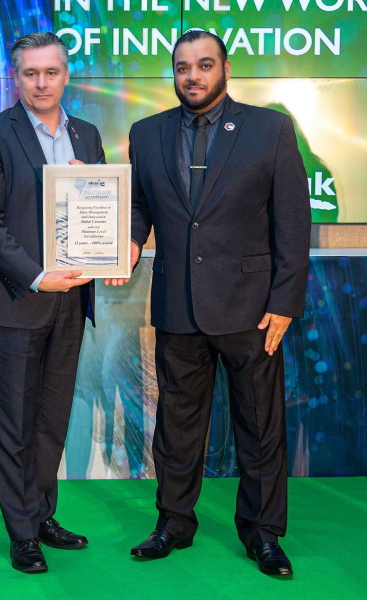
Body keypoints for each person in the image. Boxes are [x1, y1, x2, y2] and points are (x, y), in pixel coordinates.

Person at [112, 29, 311, 576]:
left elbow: (293, 221)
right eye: (183, 67)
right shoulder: (146, 133)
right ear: (173, 74)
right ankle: (173, 522)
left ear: (225, 69)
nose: (193, 76)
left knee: (259, 426)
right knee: (176, 426)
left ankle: (263, 534)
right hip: (178, 305)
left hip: (253, 309)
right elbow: (139, 205)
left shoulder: (270, 128)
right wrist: (130, 240)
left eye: (204, 65)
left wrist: (285, 301)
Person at [0, 32, 105, 573]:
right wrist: (38, 275)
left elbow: (100, 211)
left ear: (66, 75)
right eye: (30, 73)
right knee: (16, 423)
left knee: (51, 418)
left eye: (51, 72)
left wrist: (111, 253)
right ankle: (21, 532)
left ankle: (43, 514)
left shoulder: (87, 135)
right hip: (17, 299)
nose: (41, 83)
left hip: (72, 301)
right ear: (16, 77)